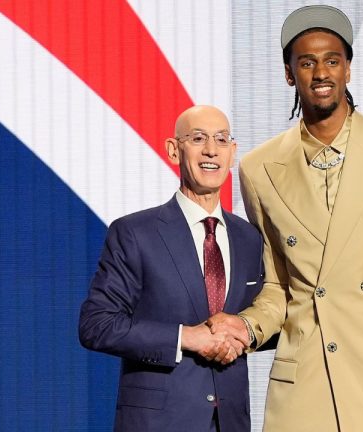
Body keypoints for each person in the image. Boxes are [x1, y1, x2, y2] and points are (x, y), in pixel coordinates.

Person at [207, 5, 363, 432]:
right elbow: (278, 286)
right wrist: (245, 327)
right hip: (304, 386)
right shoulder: (259, 168)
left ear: (348, 69)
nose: (321, 72)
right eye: (307, 62)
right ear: (290, 74)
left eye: (332, 60)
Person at [78, 105, 264, 432]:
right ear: (173, 150)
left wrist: (243, 330)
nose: (211, 150)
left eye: (221, 140)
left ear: (232, 153)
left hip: (232, 421)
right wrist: (186, 337)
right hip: (158, 422)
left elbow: (267, 316)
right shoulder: (135, 233)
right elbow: (97, 324)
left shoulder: (249, 237)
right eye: (198, 138)